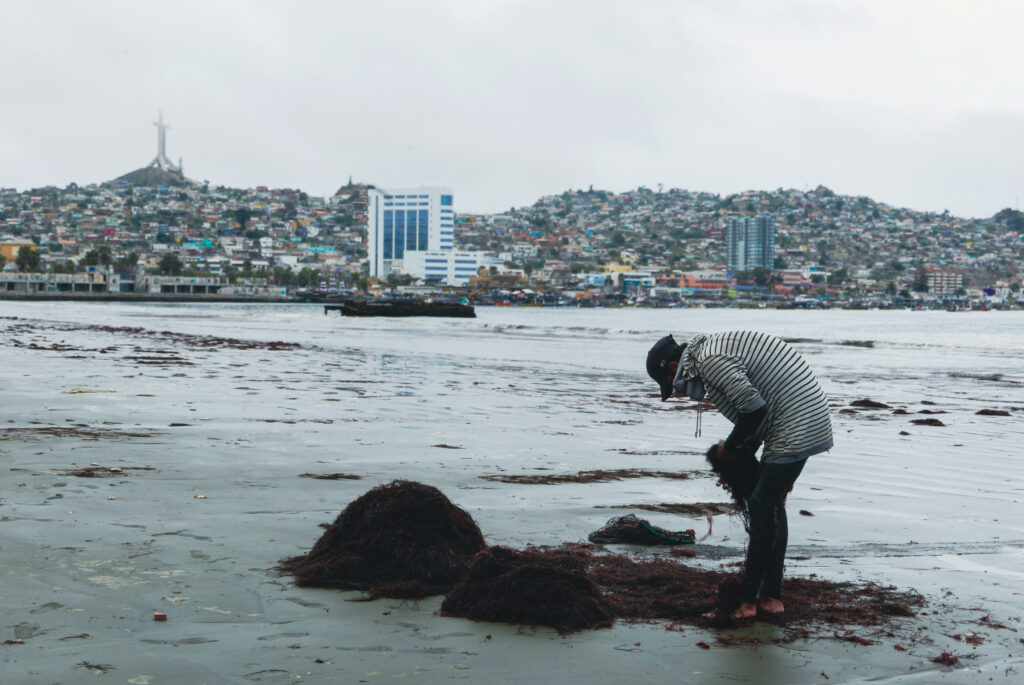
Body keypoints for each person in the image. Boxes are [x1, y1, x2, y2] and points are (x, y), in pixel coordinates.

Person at [646, 331, 833, 619]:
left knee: (761, 505)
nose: (678, 392)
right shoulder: (708, 353)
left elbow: (754, 410)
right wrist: (742, 452)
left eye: (671, 384)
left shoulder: (710, 360)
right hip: (801, 418)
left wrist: (729, 450)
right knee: (772, 504)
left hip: (796, 422)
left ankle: (747, 603)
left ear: (674, 366)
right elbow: (758, 410)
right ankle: (771, 598)